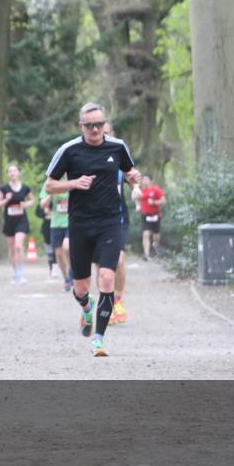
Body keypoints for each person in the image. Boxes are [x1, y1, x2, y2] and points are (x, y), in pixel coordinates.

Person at [44, 102, 141, 357]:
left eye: (99, 124)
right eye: (90, 126)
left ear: (104, 124)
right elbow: (50, 186)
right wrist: (75, 183)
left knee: (107, 277)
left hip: (110, 222)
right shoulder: (69, 150)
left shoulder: (117, 147)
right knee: (81, 287)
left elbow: (130, 172)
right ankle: (86, 309)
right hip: (80, 224)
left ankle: (98, 339)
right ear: (81, 126)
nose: (96, 129)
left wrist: (134, 178)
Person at [104, 121, 131, 325]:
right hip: (97, 219)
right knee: (103, 266)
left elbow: (133, 177)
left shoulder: (120, 155)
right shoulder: (88, 158)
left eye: (107, 133)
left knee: (119, 261)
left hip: (119, 217)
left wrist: (137, 188)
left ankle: (118, 299)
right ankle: (107, 303)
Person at [0, 164, 34, 285]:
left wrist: (25, 205)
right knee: (12, 249)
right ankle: (15, 273)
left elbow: (32, 200)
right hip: (9, 221)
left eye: (14, 171)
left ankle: (21, 274)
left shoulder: (25, 188)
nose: (12, 173)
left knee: (18, 245)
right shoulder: (4, 189)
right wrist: (6, 200)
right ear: (7, 174)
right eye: (10, 171)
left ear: (19, 173)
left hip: (22, 220)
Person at [41, 188, 72, 291]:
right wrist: (51, 194)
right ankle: (66, 279)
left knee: (66, 247)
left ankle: (72, 273)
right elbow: (42, 204)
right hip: (56, 224)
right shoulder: (50, 182)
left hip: (71, 222)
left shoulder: (73, 177)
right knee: (58, 254)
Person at [133, 175, 165, 260]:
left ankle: (156, 244)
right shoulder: (141, 191)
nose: (145, 181)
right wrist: (137, 204)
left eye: (147, 179)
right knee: (146, 234)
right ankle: (146, 255)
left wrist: (154, 202)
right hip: (145, 216)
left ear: (150, 181)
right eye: (143, 180)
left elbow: (163, 200)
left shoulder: (155, 189)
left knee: (156, 235)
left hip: (155, 215)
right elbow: (135, 197)